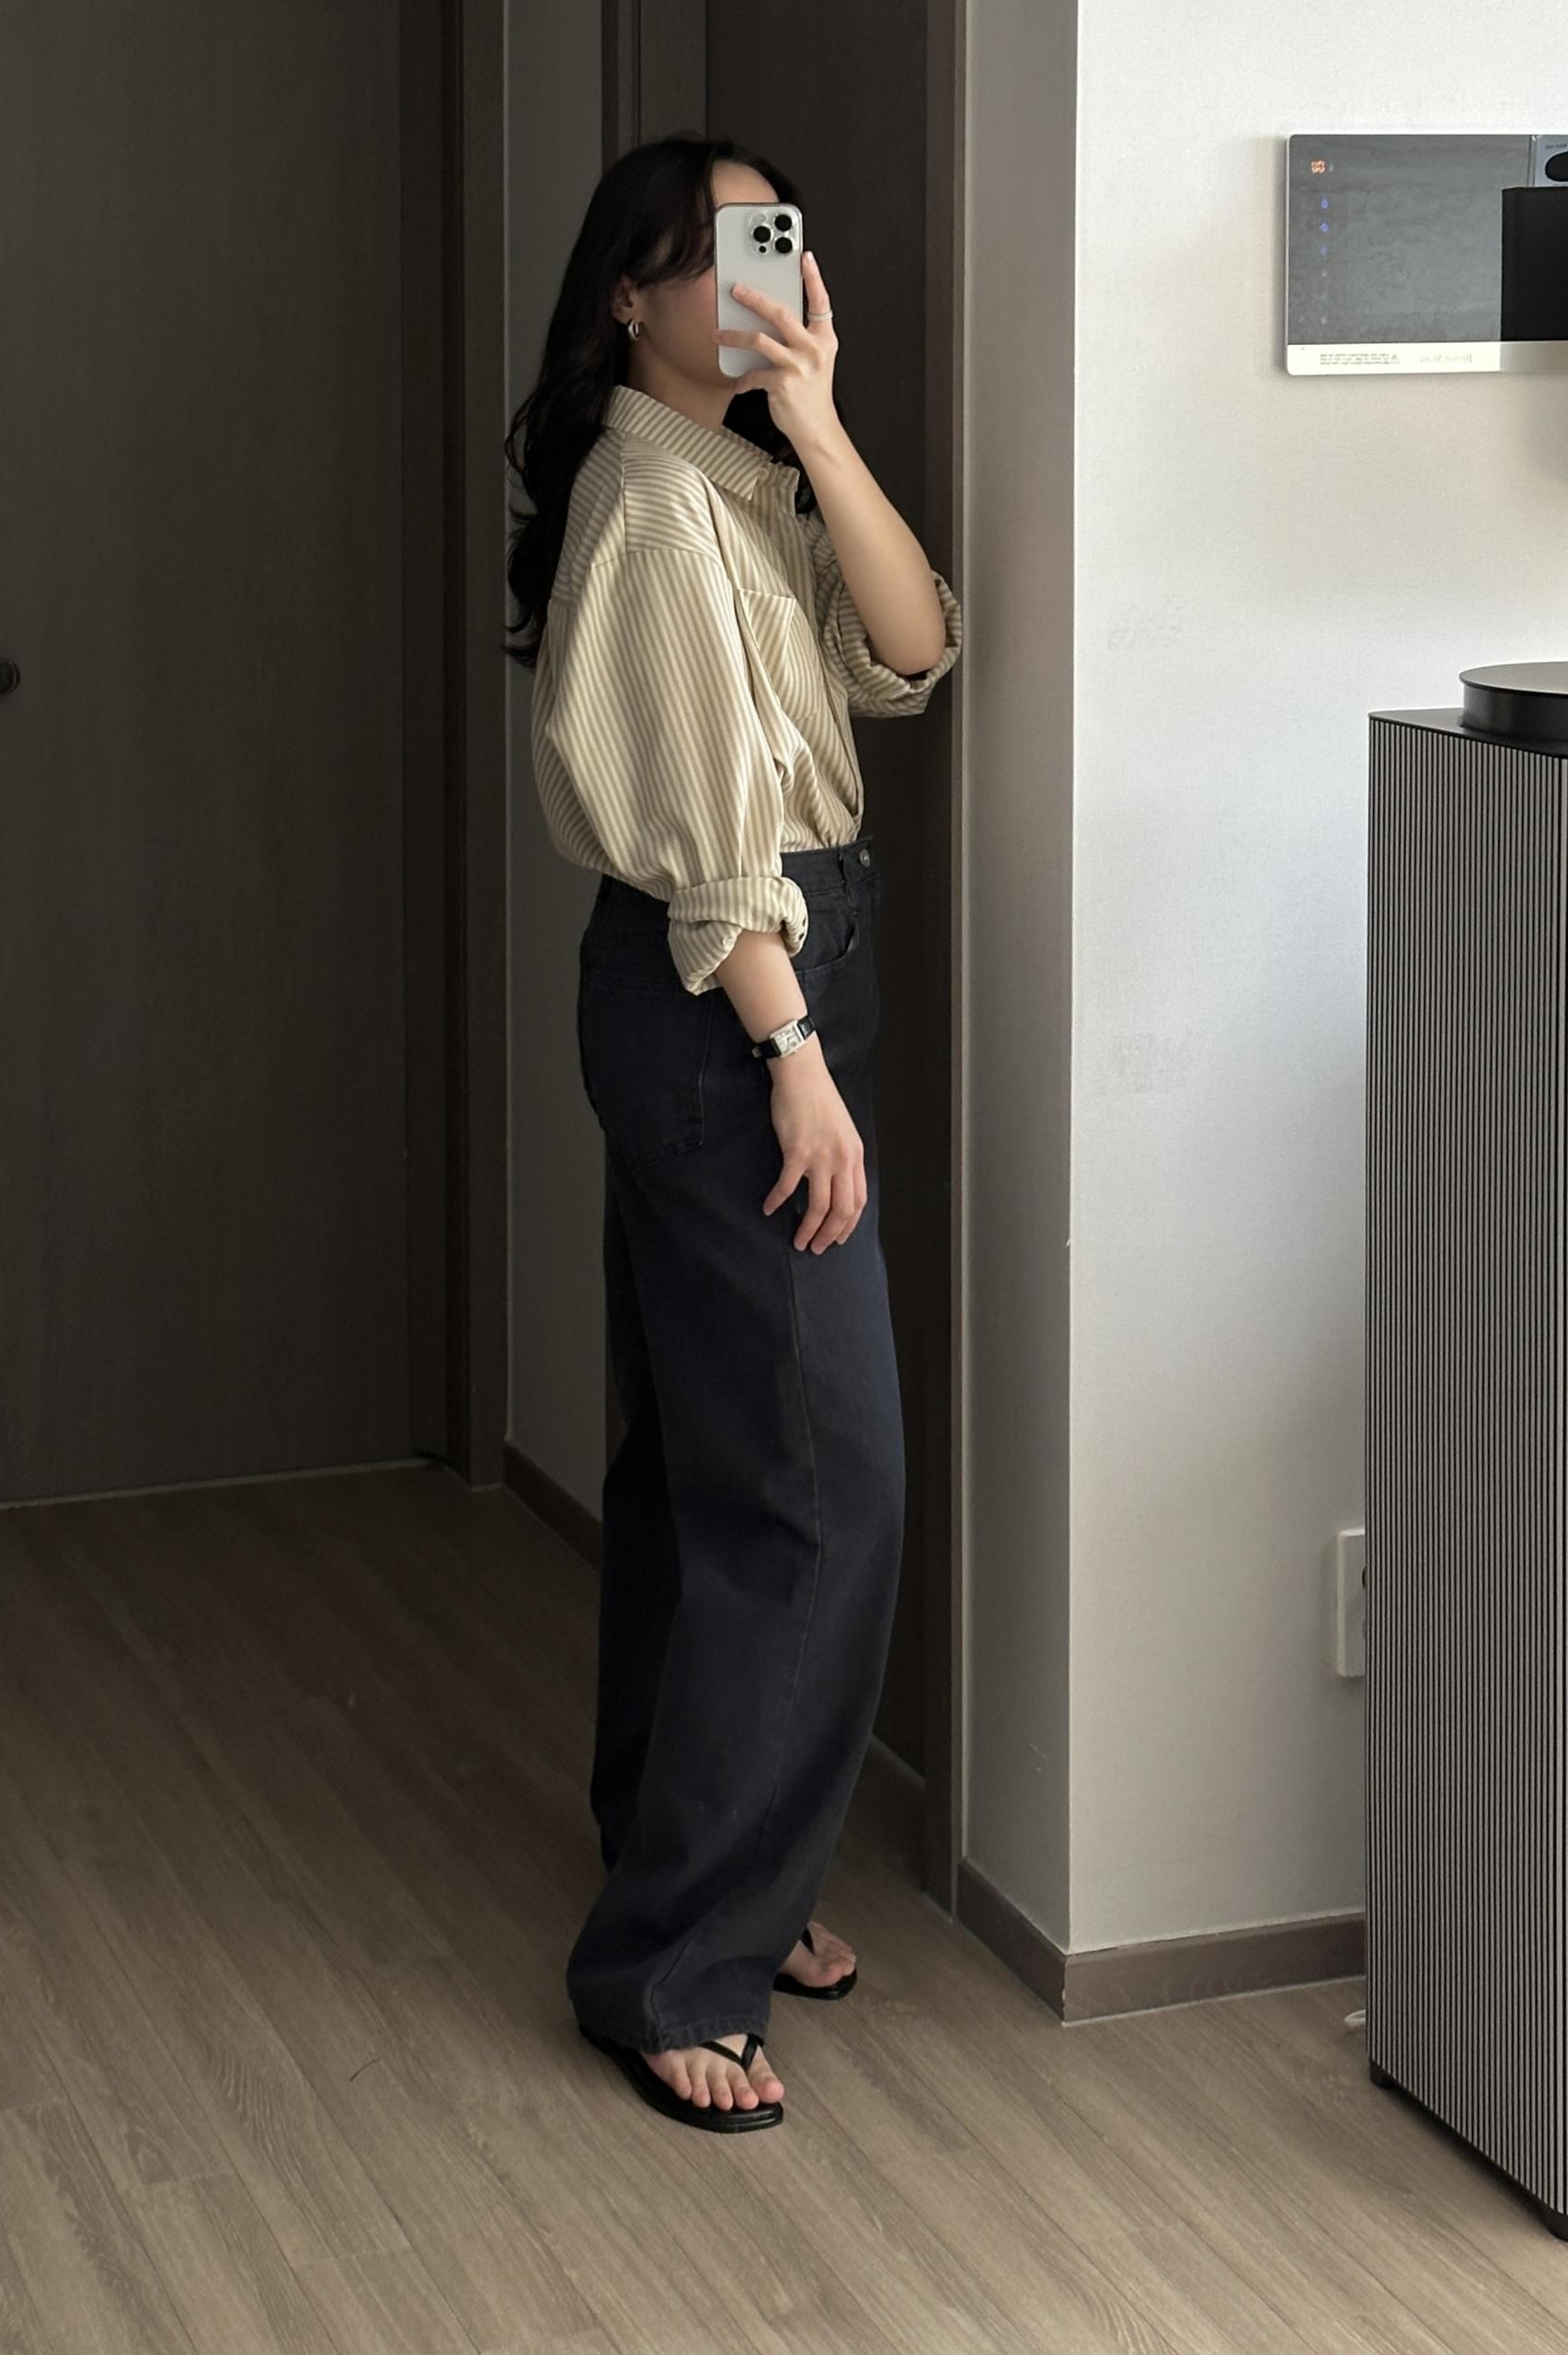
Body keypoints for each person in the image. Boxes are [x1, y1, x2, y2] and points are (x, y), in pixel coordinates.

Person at [503, 133, 963, 2133]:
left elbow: (916, 650)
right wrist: (791, 1049)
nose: (755, 273)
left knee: (715, 1468)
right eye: (710, 251)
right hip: (733, 988)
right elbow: (709, 843)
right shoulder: (648, 505)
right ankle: (676, 1961)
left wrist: (823, 418)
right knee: (820, 1485)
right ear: (628, 293)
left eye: (774, 238)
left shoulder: (745, 480)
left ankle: (705, 1865)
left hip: (775, 970)